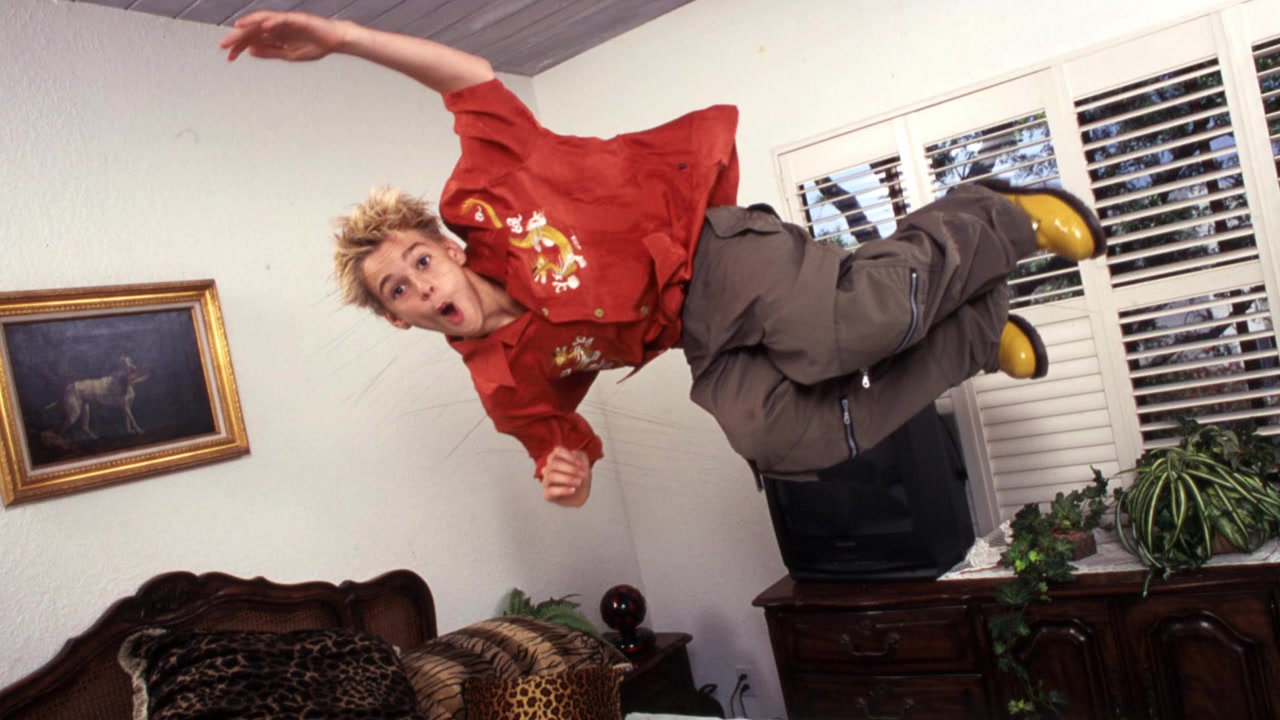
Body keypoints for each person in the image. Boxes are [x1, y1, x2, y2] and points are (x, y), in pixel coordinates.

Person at [219, 11, 1105, 508]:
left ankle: (994, 214)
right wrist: (568, 480)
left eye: (418, 260)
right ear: (398, 318)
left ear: (446, 247)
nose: (421, 283)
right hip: (693, 333)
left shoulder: (489, 193)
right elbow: (562, 458)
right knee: (776, 439)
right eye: (399, 289)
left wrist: (344, 37)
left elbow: (470, 77)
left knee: (839, 333)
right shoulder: (504, 384)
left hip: (708, 250)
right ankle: (976, 335)